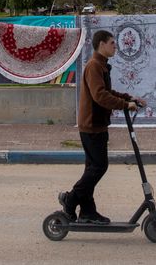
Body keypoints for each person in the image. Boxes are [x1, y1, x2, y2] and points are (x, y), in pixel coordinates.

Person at [58, 30, 144, 224]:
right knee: (98, 167)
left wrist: (128, 98)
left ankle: (87, 211)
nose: (116, 46)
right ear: (102, 44)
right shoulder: (94, 66)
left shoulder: (101, 66)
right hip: (91, 125)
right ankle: (70, 200)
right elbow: (100, 96)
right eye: (112, 43)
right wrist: (124, 105)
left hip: (96, 124)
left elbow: (107, 92)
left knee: (92, 168)